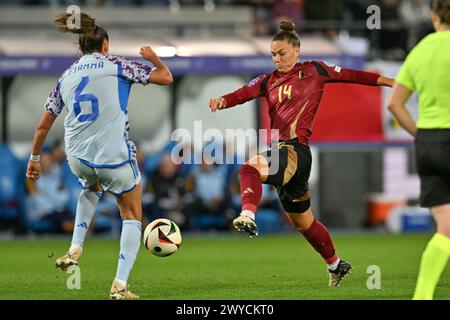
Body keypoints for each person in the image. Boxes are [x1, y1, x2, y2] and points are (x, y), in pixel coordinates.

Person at [209, 20, 394, 287]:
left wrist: (385, 80)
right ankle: (335, 264)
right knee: (304, 223)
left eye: (281, 53)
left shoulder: (315, 70)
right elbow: (244, 92)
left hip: (295, 151)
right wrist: (223, 100)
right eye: (273, 54)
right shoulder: (267, 80)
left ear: (297, 50)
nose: (276, 59)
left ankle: (248, 215)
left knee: (249, 168)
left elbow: (352, 75)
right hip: (287, 155)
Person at [26, 12, 173, 299]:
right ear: (106, 45)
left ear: (79, 48)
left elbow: (43, 125)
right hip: (113, 156)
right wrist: (153, 57)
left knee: (90, 186)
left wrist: (33, 160)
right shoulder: (117, 65)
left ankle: (75, 248)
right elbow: (166, 77)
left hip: (77, 157)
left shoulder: (66, 77)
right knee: (131, 215)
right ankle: (119, 285)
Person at [387, 0, 450, 300]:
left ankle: (422, 297)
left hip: (429, 143)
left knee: (446, 228)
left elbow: (394, 104)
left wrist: (420, 134)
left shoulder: (422, 49)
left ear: (433, 14)